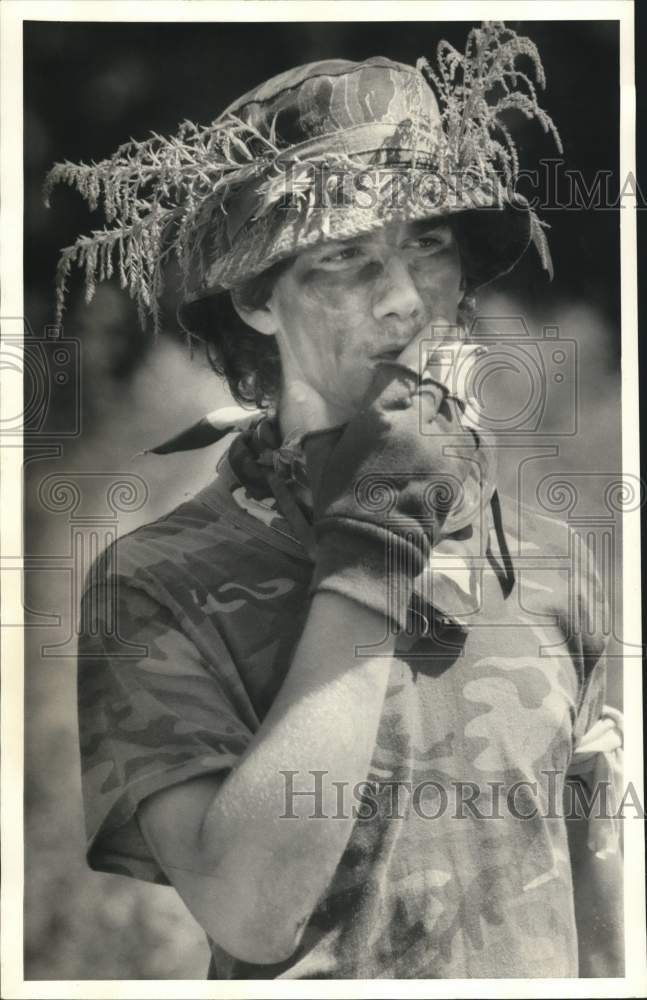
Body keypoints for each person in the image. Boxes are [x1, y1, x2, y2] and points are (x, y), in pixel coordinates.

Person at [49, 22, 624, 979]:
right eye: (344, 257)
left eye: (427, 243)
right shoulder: (155, 584)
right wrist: (373, 540)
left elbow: (599, 917)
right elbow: (250, 912)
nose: (403, 298)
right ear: (255, 300)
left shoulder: (553, 559)